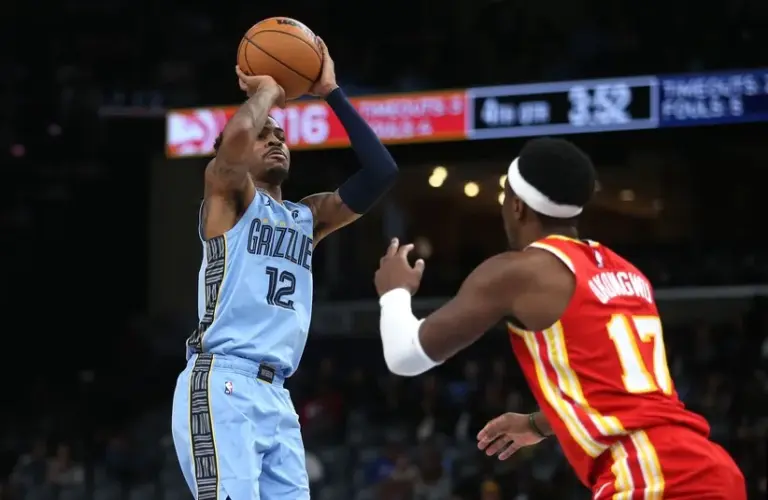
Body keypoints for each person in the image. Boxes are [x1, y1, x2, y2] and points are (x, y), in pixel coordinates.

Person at [373, 138, 746, 499]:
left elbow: (404, 356)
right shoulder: (631, 275)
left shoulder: (520, 271)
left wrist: (394, 292)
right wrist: (540, 423)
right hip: (708, 468)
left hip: (649, 477)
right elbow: (625, 396)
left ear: (516, 206)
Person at [172, 39, 399, 500]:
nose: (276, 140)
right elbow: (232, 147)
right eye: (265, 135)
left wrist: (331, 91)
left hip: (277, 394)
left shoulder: (307, 217)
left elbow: (381, 172)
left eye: (281, 137)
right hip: (222, 380)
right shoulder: (228, 199)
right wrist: (269, 91)